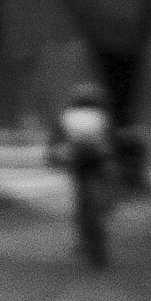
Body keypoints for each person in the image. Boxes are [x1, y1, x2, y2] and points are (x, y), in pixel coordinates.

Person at [52, 81, 119, 267]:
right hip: (97, 162)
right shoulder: (102, 116)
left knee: (82, 201)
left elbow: (57, 141)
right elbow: (112, 140)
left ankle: (85, 239)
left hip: (79, 163)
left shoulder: (66, 116)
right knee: (95, 201)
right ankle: (93, 240)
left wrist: (58, 155)